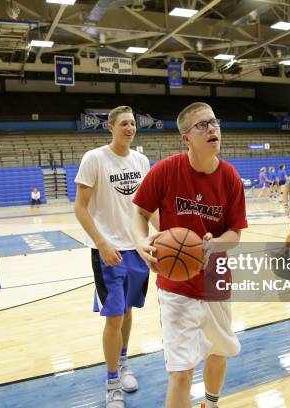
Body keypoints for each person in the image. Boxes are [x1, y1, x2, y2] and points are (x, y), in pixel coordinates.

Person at [131, 102, 247, 408]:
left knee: (218, 352)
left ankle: (210, 403)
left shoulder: (231, 178)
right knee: (181, 373)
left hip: (215, 280)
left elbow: (234, 236)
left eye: (214, 122)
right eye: (202, 125)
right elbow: (139, 212)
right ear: (186, 138)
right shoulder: (166, 170)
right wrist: (140, 241)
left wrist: (214, 244)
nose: (212, 129)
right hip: (175, 285)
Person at [74, 106, 151, 408]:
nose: (130, 128)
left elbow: (145, 208)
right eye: (124, 124)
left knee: (128, 311)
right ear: (110, 127)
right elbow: (80, 208)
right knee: (115, 316)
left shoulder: (142, 161)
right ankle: (112, 383)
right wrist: (101, 243)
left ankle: (123, 363)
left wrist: (159, 234)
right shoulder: (94, 159)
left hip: (136, 250)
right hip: (109, 252)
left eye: (133, 123)